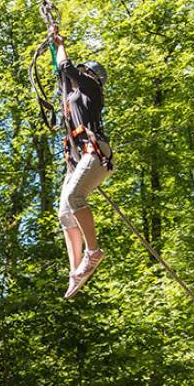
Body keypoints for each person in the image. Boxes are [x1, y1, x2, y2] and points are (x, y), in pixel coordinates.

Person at [50, 25, 112, 299]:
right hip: (78, 159)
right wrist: (53, 45)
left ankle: (93, 252)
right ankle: (77, 270)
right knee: (65, 212)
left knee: (75, 197)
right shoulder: (75, 95)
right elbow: (61, 73)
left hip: (94, 153)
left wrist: (60, 42)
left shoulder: (91, 88)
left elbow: (67, 68)